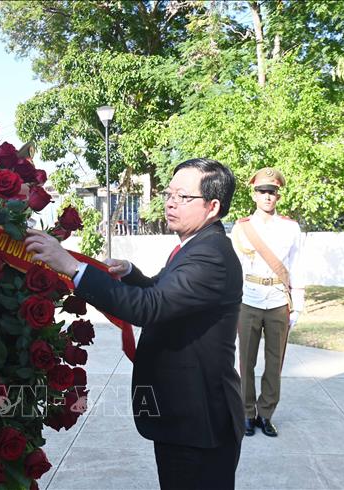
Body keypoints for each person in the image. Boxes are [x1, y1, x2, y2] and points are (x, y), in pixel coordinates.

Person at [26, 158, 244, 489]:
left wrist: (71, 267)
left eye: (183, 197)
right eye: (169, 193)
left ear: (212, 206)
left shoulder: (210, 255)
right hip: (188, 413)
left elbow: (149, 308)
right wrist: (132, 273)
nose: (170, 202)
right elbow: (165, 294)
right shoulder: (197, 246)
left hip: (199, 422)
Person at [231, 167, 304, 438]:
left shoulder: (290, 228)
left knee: (275, 363)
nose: (267, 196)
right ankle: (247, 413)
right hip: (248, 300)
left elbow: (297, 266)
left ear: (278, 196)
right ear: (254, 194)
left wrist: (298, 303)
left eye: (272, 192)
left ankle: (266, 414)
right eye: (262, 191)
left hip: (277, 301)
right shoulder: (241, 228)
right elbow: (234, 268)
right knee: (246, 361)